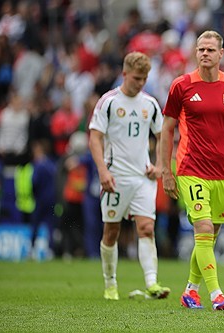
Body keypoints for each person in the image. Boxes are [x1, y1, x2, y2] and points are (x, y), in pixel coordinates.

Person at [160, 30, 224, 311]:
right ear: (196, 53)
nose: (204, 53)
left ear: (221, 54)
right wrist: (165, 171)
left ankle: (190, 291)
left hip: (222, 172)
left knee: (211, 233)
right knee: (203, 228)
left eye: (210, 49)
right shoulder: (181, 86)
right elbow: (167, 129)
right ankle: (216, 293)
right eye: (200, 49)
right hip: (190, 167)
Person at [88, 51, 170, 301]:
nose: (140, 83)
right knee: (111, 230)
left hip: (143, 178)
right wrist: (102, 171)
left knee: (146, 228)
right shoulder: (109, 102)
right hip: (115, 177)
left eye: (144, 79)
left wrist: (159, 166)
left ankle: (152, 283)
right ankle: (110, 283)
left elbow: (163, 135)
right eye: (136, 78)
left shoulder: (150, 104)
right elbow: (94, 137)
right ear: (124, 74)